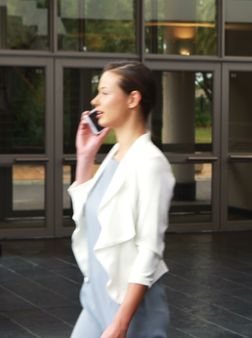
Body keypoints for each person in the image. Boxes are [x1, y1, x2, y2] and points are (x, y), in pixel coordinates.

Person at [68, 61, 175, 338]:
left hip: (131, 311)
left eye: (104, 92)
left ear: (133, 99)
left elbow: (149, 249)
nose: (95, 100)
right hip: (95, 300)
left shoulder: (151, 163)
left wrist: (120, 323)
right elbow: (88, 216)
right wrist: (85, 156)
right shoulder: (115, 155)